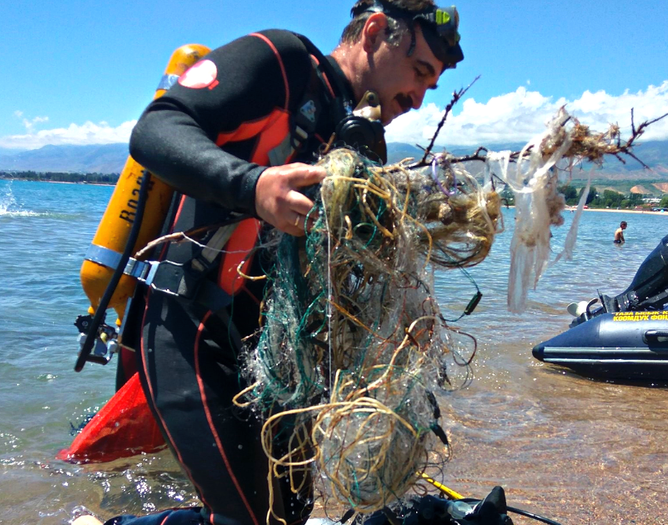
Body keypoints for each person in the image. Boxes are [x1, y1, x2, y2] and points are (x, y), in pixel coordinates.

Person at [103, 3, 464, 525]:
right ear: (374, 32)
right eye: (419, 71)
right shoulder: (283, 61)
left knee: (288, 514)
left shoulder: (362, 143)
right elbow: (156, 130)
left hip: (278, 359)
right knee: (249, 518)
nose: (419, 98)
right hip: (193, 323)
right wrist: (253, 187)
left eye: (432, 86)